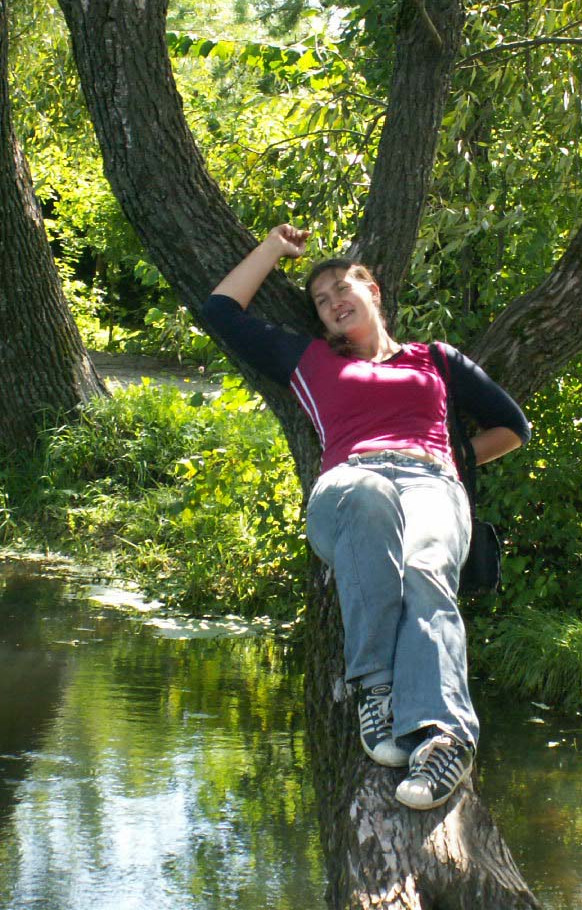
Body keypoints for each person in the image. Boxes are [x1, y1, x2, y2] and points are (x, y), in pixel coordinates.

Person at [202, 224, 530, 810]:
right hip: (351, 484)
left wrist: (452, 462)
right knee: (369, 493)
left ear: (373, 291)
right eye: (320, 301)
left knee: (426, 569)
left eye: (342, 288)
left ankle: (446, 740)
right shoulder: (308, 358)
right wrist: (274, 247)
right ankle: (377, 690)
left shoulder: (435, 359)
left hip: (431, 482)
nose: (332, 303)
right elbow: (220, 312)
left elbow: (513, 428)